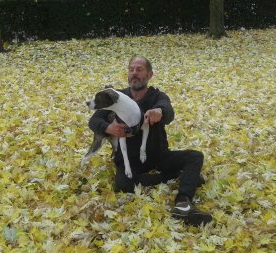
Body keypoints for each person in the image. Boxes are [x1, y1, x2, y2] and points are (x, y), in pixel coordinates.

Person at [88, 56, 212, 226]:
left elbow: (168, 111)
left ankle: (183, 203)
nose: (134, 73)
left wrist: (159, 111)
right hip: (130, 160)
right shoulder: (116, 97)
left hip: (158, 155)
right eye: (131, 69)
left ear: (149, 74)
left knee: (195, 156)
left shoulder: (157, 96)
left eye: (139, 70)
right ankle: (175, 175)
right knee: (122, 184)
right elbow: (94, 121)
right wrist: (109, 128)